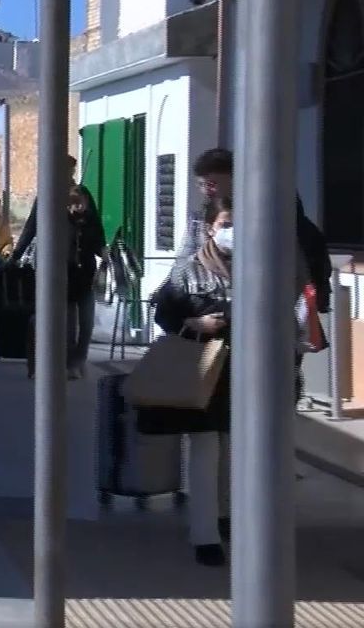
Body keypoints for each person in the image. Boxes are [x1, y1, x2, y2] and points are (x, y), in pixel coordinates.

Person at [138, 196, 244, 567]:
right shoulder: (189, 271)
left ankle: (226, 515)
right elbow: (165, 315)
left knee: (232, 450)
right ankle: (205, 535)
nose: (232, 231)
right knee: (205, 450)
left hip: (243, 371)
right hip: (202, 369)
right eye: (226, 223)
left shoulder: (258, 266)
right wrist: (195, 324)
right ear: (211, 227)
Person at [181, 147, 332, 314]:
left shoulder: (272, 211)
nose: (206, 190)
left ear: (234, 177)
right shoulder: (200, 219)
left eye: (212, 184)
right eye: (201, 184)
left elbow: (300, 267)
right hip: (215, 309)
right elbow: (183, 262)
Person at [9, 154, 93, 264]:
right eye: (67, 172)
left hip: (78, 259)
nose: (70, 177)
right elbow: (31, 226)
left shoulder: (81, 193)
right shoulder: (45, 195)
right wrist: (16, 255)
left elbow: (93, 223)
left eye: (72, 172)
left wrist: (81, 214)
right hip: (50, 257)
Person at [66, 185, 107, 379]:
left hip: (86, 277)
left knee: (87, 321)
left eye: (79, 203)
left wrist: (106, 254)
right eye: (72, 204)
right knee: (68, 324)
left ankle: (80, 358)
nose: (76, 208)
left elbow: (99, 243)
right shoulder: (63, 221)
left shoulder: (92, 221)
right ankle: (70, 362)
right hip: (66, 276)